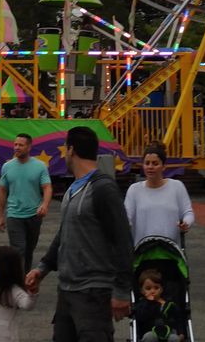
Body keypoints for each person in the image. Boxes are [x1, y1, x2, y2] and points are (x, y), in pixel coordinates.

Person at [26, 126, 133, 342]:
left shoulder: (103, 189)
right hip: (67, 290)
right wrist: (43, 268)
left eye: (65, 148)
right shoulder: (72, 189)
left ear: (71, 150)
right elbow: (65, 233)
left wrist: (122, 291)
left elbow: (123, 240)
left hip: (93, 293)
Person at [0, 133, 51, 273]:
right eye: (15, 144)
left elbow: (47, 187)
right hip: (14, 215)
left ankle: (25, 280)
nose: (17, 147)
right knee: (18, 249)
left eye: (20, 145)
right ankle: (17, 283)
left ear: (29, 147)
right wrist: (0, 216)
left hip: (34, 215)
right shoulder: (7, 167)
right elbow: (2, 191)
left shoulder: (40, 166)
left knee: (28, 251)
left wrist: (44, 205)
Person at [124, 144, 194, 246]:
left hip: (171, 251)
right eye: (147, 163)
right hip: (142, 252)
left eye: (155, 163)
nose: (150, 167)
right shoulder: (134, 190)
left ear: (164, 166)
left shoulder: (177, 187)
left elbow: (188, 212)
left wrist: (186, 223)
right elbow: (126, 216)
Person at [132, 269, 182, 342]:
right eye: (148, 288)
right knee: (149, 337)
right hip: (149, 331)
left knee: (174, 339)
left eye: (156, 288)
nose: (152, 291)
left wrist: (181, 333)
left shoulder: (170, 304)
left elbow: (179, 319)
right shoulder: (142, 304)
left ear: (161, 289)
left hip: (169, 331)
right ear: (142, 291)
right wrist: (150, 303)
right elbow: (141, 317)